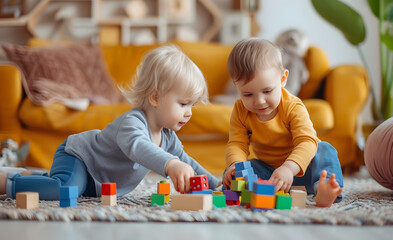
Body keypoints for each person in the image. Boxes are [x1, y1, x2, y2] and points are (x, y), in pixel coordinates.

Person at [0, 45, 219, 200]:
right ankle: (6, 183)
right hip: (79, 158)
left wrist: (216, 185)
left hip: (93, 181)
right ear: (155, 98)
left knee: (68, 184)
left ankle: (27, 174)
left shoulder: (168, 138)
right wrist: (171, 164)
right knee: (65, 188)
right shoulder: (132, 123)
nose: (189, 113)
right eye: (183, 104)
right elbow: (139, 147)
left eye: (192, 106)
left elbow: (187, 162)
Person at [222, 38, 343, 207]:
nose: (259, 101)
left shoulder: (293, 107)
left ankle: (322, 188)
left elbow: (306, 141)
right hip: (270, 174)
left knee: (324, 149)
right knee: (237, 170)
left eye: (267, 91)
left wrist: (289, 168)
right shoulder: (240, 110)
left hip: (304, 172)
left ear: (282, 79)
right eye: (248, 95)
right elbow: (237, 143)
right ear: (237, 87)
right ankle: (252, 190)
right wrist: (235, 165)